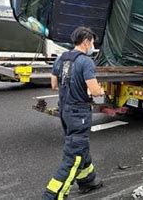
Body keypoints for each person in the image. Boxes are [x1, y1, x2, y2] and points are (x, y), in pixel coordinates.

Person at [43, 27, 105, 199]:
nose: (93, 45)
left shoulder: (61, 58)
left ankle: (88, 180)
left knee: (78, 145)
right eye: (92, 42)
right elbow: (93, 90)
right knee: (75, 155)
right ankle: (53, 194)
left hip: (65, 110)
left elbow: (54, 85)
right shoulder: (86, 62)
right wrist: (100, 90)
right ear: (86, 42)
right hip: (79, 112)